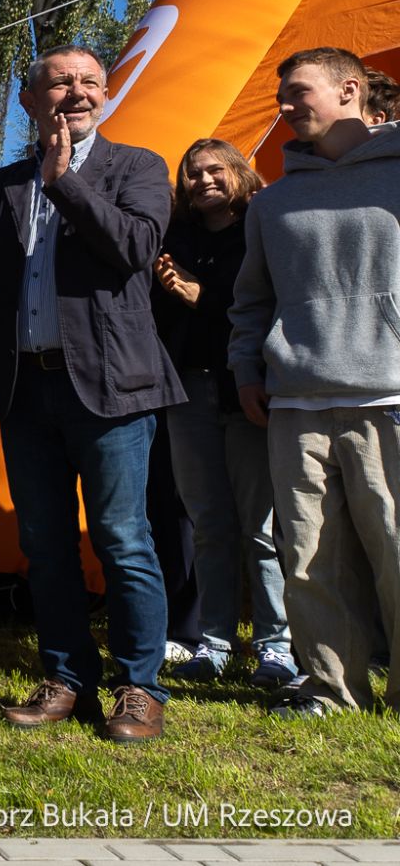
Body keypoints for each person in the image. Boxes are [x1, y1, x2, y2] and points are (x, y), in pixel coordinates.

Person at [0, 43, 185, 742]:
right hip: (27, 389)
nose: (79, 92)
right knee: (47, 545)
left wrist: (66, 182)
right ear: (30, 102)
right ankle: (67, 677)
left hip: (113, 389)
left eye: (91, 81)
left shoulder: (137, 167)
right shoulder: (3, 184)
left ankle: (139, 686)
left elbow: (133, 248)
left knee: (123, 538)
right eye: (60, 83)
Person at [228, 47, 400, 717]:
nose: (287, 107)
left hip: (388, 394)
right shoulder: (274, 201)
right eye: (283, 96)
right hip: (296, 400)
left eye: (300, 93)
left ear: (351, 89)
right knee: (307, 558)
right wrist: (247, 366)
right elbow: (251, 302)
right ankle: (332, 689)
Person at [153, 138, 295, 687]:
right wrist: (175, 292)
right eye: (192, 173)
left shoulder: (261, 228)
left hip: (248, 390)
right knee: (209, 523)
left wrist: (199, 296)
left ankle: (275, 645)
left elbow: (264, 305)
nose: (204, 180)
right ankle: (213, 643)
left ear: (239, 172)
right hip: (188, 389)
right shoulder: (175, 238)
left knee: (262, 528)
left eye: (215, 170)